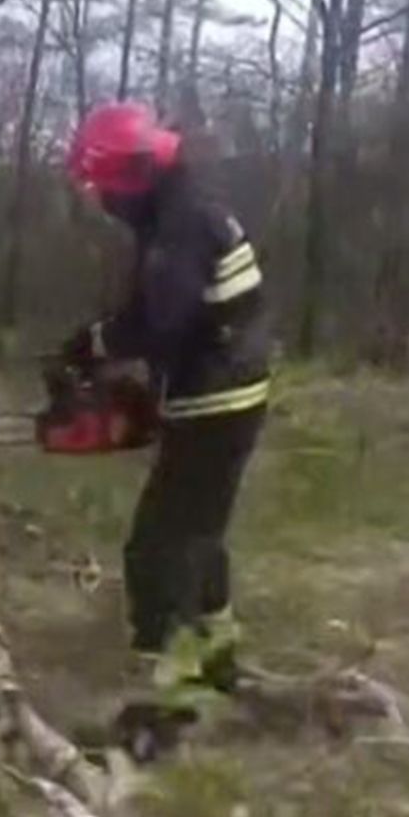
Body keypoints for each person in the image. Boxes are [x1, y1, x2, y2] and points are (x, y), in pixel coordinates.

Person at [56, 101, 270, 746]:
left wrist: (96, 346)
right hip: (231, 386)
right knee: (201, 535)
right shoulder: (183, 208)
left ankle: (167, 704)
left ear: (130, 176)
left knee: (157, 549)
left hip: (216, 393)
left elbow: (161, 322)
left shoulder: (180, 226)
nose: (98, 201)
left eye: (101, 187)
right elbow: (162, 310)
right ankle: (217, 661)